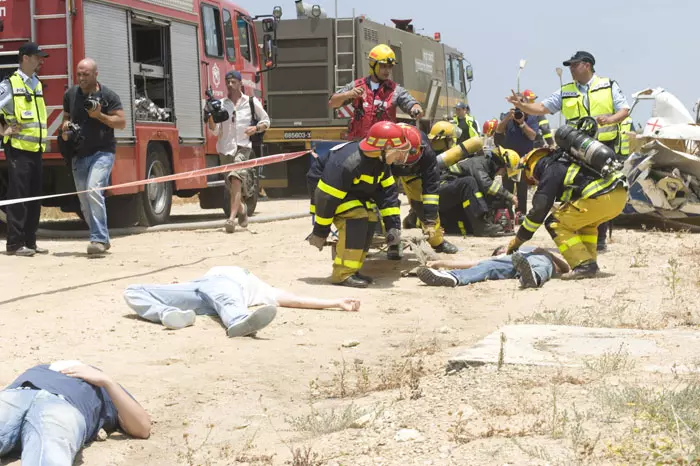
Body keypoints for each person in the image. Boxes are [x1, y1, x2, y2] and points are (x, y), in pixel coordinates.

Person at [506, 51, 631, 251]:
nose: (571, 69)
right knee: (579, 189)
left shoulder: (608, 85)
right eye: (570, 66)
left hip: (603, 147)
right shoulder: (566, 90)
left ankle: (599, 238)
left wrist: (611, 119)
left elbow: (624, 109)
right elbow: (542, 107)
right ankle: (581, 231)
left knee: (602, 188)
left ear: (587, 65)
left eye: (575, 65)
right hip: (575, 148)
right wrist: (522, 105)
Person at [306, 121, 408, 288]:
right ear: (383, 149)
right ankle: (342, 274)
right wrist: (320, 231)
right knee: (356, 217)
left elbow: (388, 195)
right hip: (325, 191)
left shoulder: (381, 163)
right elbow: (326, 198)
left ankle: (353, 270)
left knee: (371, 217)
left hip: (350, 192)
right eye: (398, 152)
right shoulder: (349, 163)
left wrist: (393, 226)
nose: (400, 156)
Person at [124, 266, 360, 336]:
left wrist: (335, 302)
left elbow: (296, 300)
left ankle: (240, 322)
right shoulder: (257, 284)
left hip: (225, 286)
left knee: (228, 299)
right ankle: (167, 314)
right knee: (133, 290)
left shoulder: (263, 289)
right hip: (197, 286)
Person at [506, 147, 627, 279]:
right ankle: (589, 262)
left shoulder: (551, 168)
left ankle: (583, 265)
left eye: (531, 179)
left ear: (531, 167)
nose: (534, 183)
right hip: (619, 196)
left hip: (599, 198)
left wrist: (518, 241)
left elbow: (539, 209)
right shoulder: (567, 162)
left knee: (555, 223)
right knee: (585, 225)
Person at [0, 361, 150, 465]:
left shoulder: (104, 390)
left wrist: (107, 381)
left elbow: (142, 428)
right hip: (19, 394)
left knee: (50, 447)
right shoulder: (40, 370)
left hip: (63, 405)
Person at [61, 58, 126, 255]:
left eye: (86, 75)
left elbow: (121, 122)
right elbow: (66, 118)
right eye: (79, 74)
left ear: (96, 74)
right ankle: (101, 238)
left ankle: (97, 239)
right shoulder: (70, 94)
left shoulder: (108, 96)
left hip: (103, 152)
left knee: (93, 190)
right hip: (79, 154)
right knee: (84, 200)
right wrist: (65, 129)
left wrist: (100, 116)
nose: (81, 78)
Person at [1, 42, 50, 257]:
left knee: (34, 197)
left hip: (36, 149)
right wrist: (3, 129)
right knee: (19, 197)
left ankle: (30, 241)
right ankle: (14, 244)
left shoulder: (36, 84)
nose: (41, 61)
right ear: (25, 58)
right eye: (37, 57)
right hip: (18, 149)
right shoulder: (10, 84)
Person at [207, 70, 270, 234]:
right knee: (231, 186)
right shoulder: (221, 104)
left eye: (233, 81)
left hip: (243, 147)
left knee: (236, 179)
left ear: (240, 83)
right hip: (225, 149)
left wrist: (255, 128)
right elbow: (214, 132)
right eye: (227, 81)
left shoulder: (250, 102)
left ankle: (231, 218)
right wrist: (210, 118)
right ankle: (242, 208)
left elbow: (266, 121)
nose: (230, 84)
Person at [329, 44, 423, 140]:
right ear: (372, 64)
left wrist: (416, 109)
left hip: (384, 146)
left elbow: (410, 103)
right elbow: (332, 103)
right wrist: (348, 94)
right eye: (383, 66)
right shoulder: (356, 86)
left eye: (390, 67)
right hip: (359, 144)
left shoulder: (396, 90)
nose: (387, 71)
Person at [391, 123, 458, 255]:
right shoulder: (386, 148)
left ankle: (437, 241)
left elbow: (431, 189)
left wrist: (431, 221)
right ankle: (392, 242)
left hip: (415, 171)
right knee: (387, 204)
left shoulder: (427, 153)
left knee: (421, 202)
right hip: (389, 165)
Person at [416, 245, 570, 288]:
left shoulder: (533, 249)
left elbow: (565, 269)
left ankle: (532, 278)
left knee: (541, 264)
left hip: (537, 258)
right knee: (486, 266)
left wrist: (548, 254)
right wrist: (441, 263)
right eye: (499, 251)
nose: (501, 250)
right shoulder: (501, 257)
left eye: (502, 248)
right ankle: (452, 277)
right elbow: (471, 263)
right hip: (511, 262)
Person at [495, 93, 539, 218]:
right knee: (507, 188)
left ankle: (521, 214)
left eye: (521, 102)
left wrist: (522, 123)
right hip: (508, 159)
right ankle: (507, 213)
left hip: (524, 159)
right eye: (516, 102)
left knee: (522, 189)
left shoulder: (531, 118)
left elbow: (532, 136)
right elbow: (498, 130)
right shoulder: (507, 116)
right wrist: (508, 117)